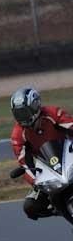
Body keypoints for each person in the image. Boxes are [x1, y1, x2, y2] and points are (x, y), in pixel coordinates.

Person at [10, 87, 73, 220]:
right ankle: (61, 210)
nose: (23, 117)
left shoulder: (53, 113)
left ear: (35, 106)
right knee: (30, 207)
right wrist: (36, 182)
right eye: (18, 114)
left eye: (25, 112)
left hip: (69, 154)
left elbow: (71, 126)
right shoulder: (17, 135)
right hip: (47, 169)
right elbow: (23, 162)